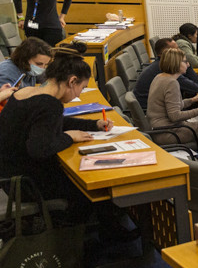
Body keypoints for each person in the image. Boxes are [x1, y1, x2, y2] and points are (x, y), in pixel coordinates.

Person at [0, 44, 113, 222]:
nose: (78, 95)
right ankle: (90, 230)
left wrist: (94, 124)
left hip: (10, 178)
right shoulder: (49, 104)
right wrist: (70, 137)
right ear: (72, 81)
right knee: (93, 186)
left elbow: (52, 123)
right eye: (82, 88)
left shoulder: (26, 92)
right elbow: (39, 148)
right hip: (27, 185)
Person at [146, 49, 198, 161]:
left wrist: (192, 100)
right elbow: (175, 116)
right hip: (169, 132)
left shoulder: (159, 77)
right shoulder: (171, 83)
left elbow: (173, 105)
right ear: (176, 63)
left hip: (159, 129)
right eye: (185, 61)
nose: (188, 64)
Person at [134, 37, 198, 109]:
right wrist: (187, 64)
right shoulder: (167, 69)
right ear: (167, 53)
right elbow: (195, 88)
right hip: (151, 109)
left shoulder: (159, 64)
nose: (180, 51)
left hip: (152, 106)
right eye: (176, 49)